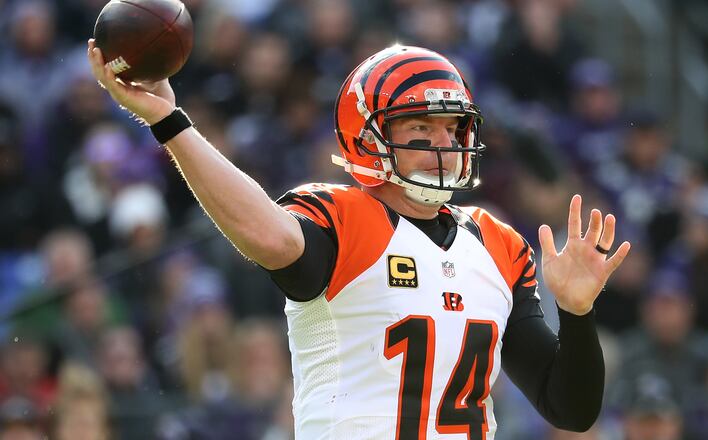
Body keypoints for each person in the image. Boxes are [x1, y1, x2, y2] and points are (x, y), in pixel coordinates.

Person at [87, 39, 630, 439]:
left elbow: (571, 410)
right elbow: (265, 234)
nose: (445, 144)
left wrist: (577, 312)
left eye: (453, 129)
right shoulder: (343, 217)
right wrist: (172, 123)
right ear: (369, 138)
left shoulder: (498, 244)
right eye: (421, 129)